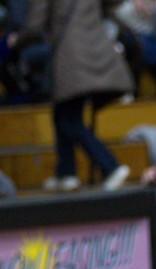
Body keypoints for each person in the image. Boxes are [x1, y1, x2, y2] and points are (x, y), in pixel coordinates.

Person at [21, 0, 133, 192]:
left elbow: (34, 25)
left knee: (69, 120)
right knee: (62, 113)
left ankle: (110, 166)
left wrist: (16, 39)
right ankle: (66, 173)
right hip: (96, 50)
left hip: (70, 55)